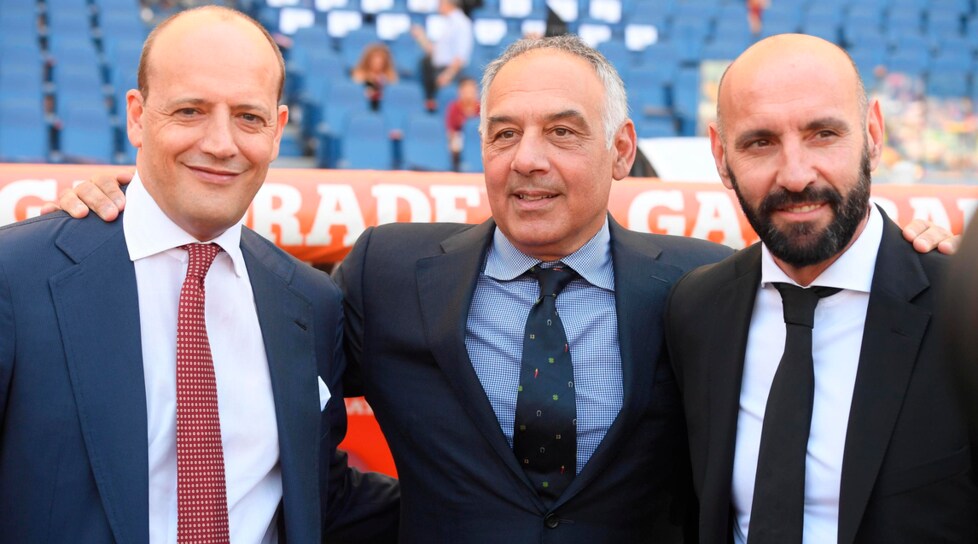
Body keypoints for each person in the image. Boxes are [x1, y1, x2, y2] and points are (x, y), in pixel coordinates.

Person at [56, 34, 960, 543]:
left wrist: (909, 257)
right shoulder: (385, 274)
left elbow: (828, 272)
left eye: (563, 132)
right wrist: (127, 212)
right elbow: (278, 404)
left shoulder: (696, 290)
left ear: (620, 150)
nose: (528, 160)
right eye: (503, 133)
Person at [0, 7, 398, 543]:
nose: (220, 143)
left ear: (278, 131)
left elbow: (321, 495)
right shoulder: (18, 274)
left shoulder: (311, 301)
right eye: (190, 111)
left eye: (249, 117)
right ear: (137, 117)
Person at [664, 33, 978, 544]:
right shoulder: (695, 309)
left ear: (873, 134)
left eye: (823, 134)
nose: (795, 175)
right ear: (721, 156)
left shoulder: (962, 312)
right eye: (760, 142)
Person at [410, 0, 473, 110]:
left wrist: (447, 75)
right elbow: (435, 52)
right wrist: (421, 37)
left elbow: (461, 56)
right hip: (439, 72)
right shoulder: (448, 23)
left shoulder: (462, 23)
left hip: (449, 74)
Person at [445, 76, 480, 171]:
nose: (469, 94)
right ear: (460, 92)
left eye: (471, 91)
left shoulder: (481, 107)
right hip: (459, 142)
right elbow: (450, 130)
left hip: (478, 142)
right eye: (466, 91)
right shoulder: (454, 107)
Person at [351, 42, 398, 111]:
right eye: (375, 59)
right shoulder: (359, 76)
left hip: (382, 109)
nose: (377, 62)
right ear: (368, 60)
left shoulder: (390, 78)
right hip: (363, 109)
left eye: (380, 59)